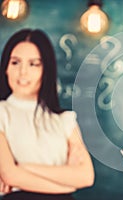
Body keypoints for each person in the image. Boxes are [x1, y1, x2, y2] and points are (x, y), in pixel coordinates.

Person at [0, 29, 94, 200]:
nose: (23, 72)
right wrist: (66, 184)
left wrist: (23, 167)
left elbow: (86, 176)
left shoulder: (63, 119)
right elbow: (10, 175)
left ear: (45, 70)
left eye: (33, 64)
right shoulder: (2, 113)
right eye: (15, 62)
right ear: (5, 67)